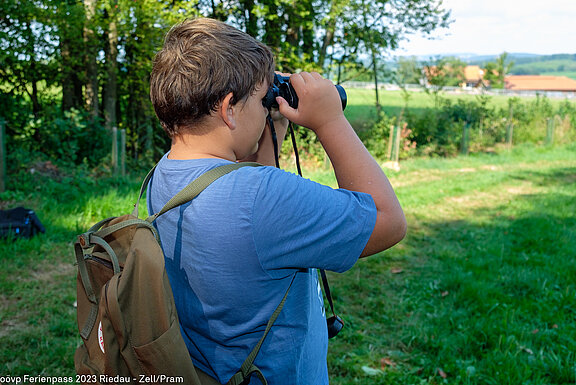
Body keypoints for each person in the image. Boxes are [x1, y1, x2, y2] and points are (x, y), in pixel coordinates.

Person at [147, 17, 406, 385]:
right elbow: (388, 221)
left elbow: (254, 229)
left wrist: (272, 126)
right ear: (229, 109)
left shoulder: (166, 172)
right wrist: (330, 120)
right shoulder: (261, 198)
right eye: (259, 98)